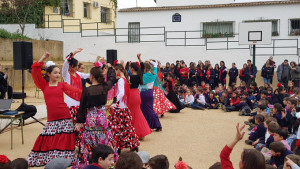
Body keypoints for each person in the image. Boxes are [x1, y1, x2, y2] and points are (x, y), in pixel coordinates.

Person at [28, 52, 82, 167]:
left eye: (58, 73)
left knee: (63, 140)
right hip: (52, 119)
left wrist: (92, 92)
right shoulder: (44, 85)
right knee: (49, 139)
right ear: (48, 74)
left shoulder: (62, 85)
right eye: (55, 73)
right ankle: (51, 160)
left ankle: (62, 161)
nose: (58, 75)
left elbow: (76, 92)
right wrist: (42, 57)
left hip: (65, 116)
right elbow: (35, 70)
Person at [74, 66, 117, 168]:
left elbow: (82, 106)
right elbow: (112, 78)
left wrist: (79, 121)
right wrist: (110, 68)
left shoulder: (87, 90)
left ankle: (89, 161)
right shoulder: (105, 87)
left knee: (89, 136)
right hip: (101, 115)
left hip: (91, 116)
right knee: (104, 135)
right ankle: (107, 160)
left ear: (92, 76)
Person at [108, 64, 140, 153]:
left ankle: (117, 147)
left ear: (118, 70)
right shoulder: (125, 79)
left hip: (120, 108)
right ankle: (133, 145)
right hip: (124, 107)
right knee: (127, 128)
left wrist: (113, 102)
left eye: (115, 70)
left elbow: (121, 93)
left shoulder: (121, 80)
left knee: (117, 128)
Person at [62, 48, 90, 146]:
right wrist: (73, 53)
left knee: (81, 128)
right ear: (72, 66)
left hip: (79, 105)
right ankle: (69, 146)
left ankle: (78, 147)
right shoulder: (66, 75)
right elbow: (65, 64)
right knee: (70, 128)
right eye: (77, 66)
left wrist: (100, 72)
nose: (78, 67)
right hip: (70, 105)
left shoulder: (78, 74)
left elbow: (87, 75)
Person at [128, 62, 152, 139]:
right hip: (137, 94)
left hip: (131, 95)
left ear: (131, 69)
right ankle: (141, 132)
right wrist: (139, 59)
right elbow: (141, 67)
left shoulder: (130, 78)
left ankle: (135, 132)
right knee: (138, 114)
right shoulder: (139, 76)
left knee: (132, 114)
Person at [139, 60, 162, 131]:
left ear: (145, 69)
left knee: (144, 110)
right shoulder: (154, 74)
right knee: (150, 110)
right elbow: (155, 65)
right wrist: (150, 61)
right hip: (150, 93)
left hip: (143, 93)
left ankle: (149, 125)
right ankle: (156, 125)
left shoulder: (143, 76)